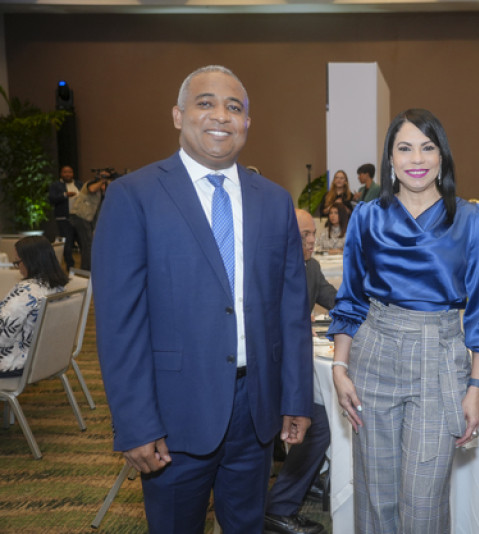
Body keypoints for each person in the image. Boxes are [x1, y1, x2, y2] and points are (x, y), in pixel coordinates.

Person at [92, 65, 313, 533]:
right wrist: (136, 423)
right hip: (173, 414)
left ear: (247, 123)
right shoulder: (134, 196)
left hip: (255, 411)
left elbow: (291, 312)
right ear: (178, 115)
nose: (221, 116)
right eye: (205, 103)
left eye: (235, 107)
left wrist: (296, 397)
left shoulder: (274, 201)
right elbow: (119, 324)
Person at [329, 108, 479, 534]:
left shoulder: (471, 219)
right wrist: (339, 366)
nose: (417, 158)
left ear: (442, 156)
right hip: (374, 352)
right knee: (375, 498)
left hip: (440, 355)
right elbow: (351, 299)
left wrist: (476, 388)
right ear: (390, 159)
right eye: (404, 148)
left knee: (423, 505)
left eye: (428, 147)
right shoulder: (368, 218)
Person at [264, 209, 336, 534]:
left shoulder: (311, 267)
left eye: (312, 234)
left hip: (293, 368)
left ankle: (306, 477)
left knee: (320, 418)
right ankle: (279, 507)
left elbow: (335, 300)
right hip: (269, 373)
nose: (311, 241)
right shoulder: (268, 270)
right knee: (319, 424)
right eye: (304, 235)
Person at [0, 236, 68, 377]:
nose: (17, 267)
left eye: (17, 262)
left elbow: (3, 335)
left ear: (29, 262)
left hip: (14, 363)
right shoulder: (58, 287)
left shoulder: (26, 292)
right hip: (45, 357)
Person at [70, 169, 112, 271]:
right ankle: (86, 269)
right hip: (80, 216)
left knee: (87, 244)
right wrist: (102, 180)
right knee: (87, 244)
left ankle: (86, 268)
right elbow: (92, 189)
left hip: (87, 219)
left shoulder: (103, 190)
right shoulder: (91, 183)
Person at [48, 165, 83, 270]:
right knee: (67, 244)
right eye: (65, 172)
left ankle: (85, 266)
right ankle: (70, 266)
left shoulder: (79, 184)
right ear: (61, 174)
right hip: (64, 218)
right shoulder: (56, 185)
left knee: (83, 242)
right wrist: (65, 195)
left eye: (70, 172)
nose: (68, 174)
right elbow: (52, 199)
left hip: (79, 217)